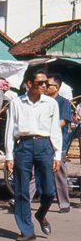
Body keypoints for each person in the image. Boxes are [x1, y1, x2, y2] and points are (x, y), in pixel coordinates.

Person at [5, 70, 62, 241]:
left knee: (49, 190)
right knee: (21, 190)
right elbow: (9, 130)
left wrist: (57, 154)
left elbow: (55, 130)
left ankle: (41, 213)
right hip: (23, 145)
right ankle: (26, 230)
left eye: (46, 83)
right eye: (40, 83)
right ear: (29, 84)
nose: (45, 86)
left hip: (45, 146)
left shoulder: (51, 103)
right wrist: (9, 156)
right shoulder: (16, 103)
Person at [45, 73, 72, 213]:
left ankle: (64, 203)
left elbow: (63, 121)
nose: (45, 87)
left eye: (48, 85)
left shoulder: (63, 102)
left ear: (57, 87)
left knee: (59, 173)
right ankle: (23, 200)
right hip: (42, 142)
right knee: (33, 171)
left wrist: (46, 128)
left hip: (58, 144)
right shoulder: (43, 101)